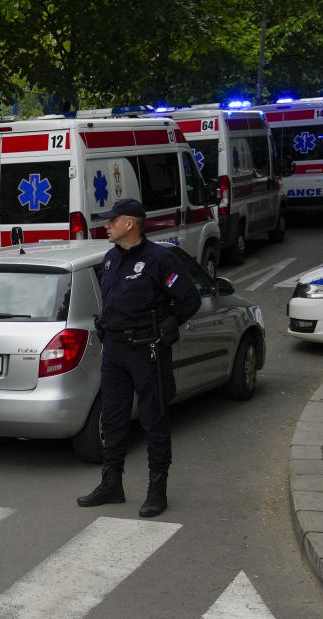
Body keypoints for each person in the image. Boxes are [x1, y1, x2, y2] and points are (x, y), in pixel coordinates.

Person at [78, 198, 201, 517]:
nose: (106, 225)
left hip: (146, 351)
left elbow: (188, 299)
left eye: (111, 220)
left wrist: (169, 323)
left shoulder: (159, 259)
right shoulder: (109, 259)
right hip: (115, 352)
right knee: (114, 419)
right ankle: (111, 484)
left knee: (153, 419)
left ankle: (157, 490)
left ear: (129, 224)